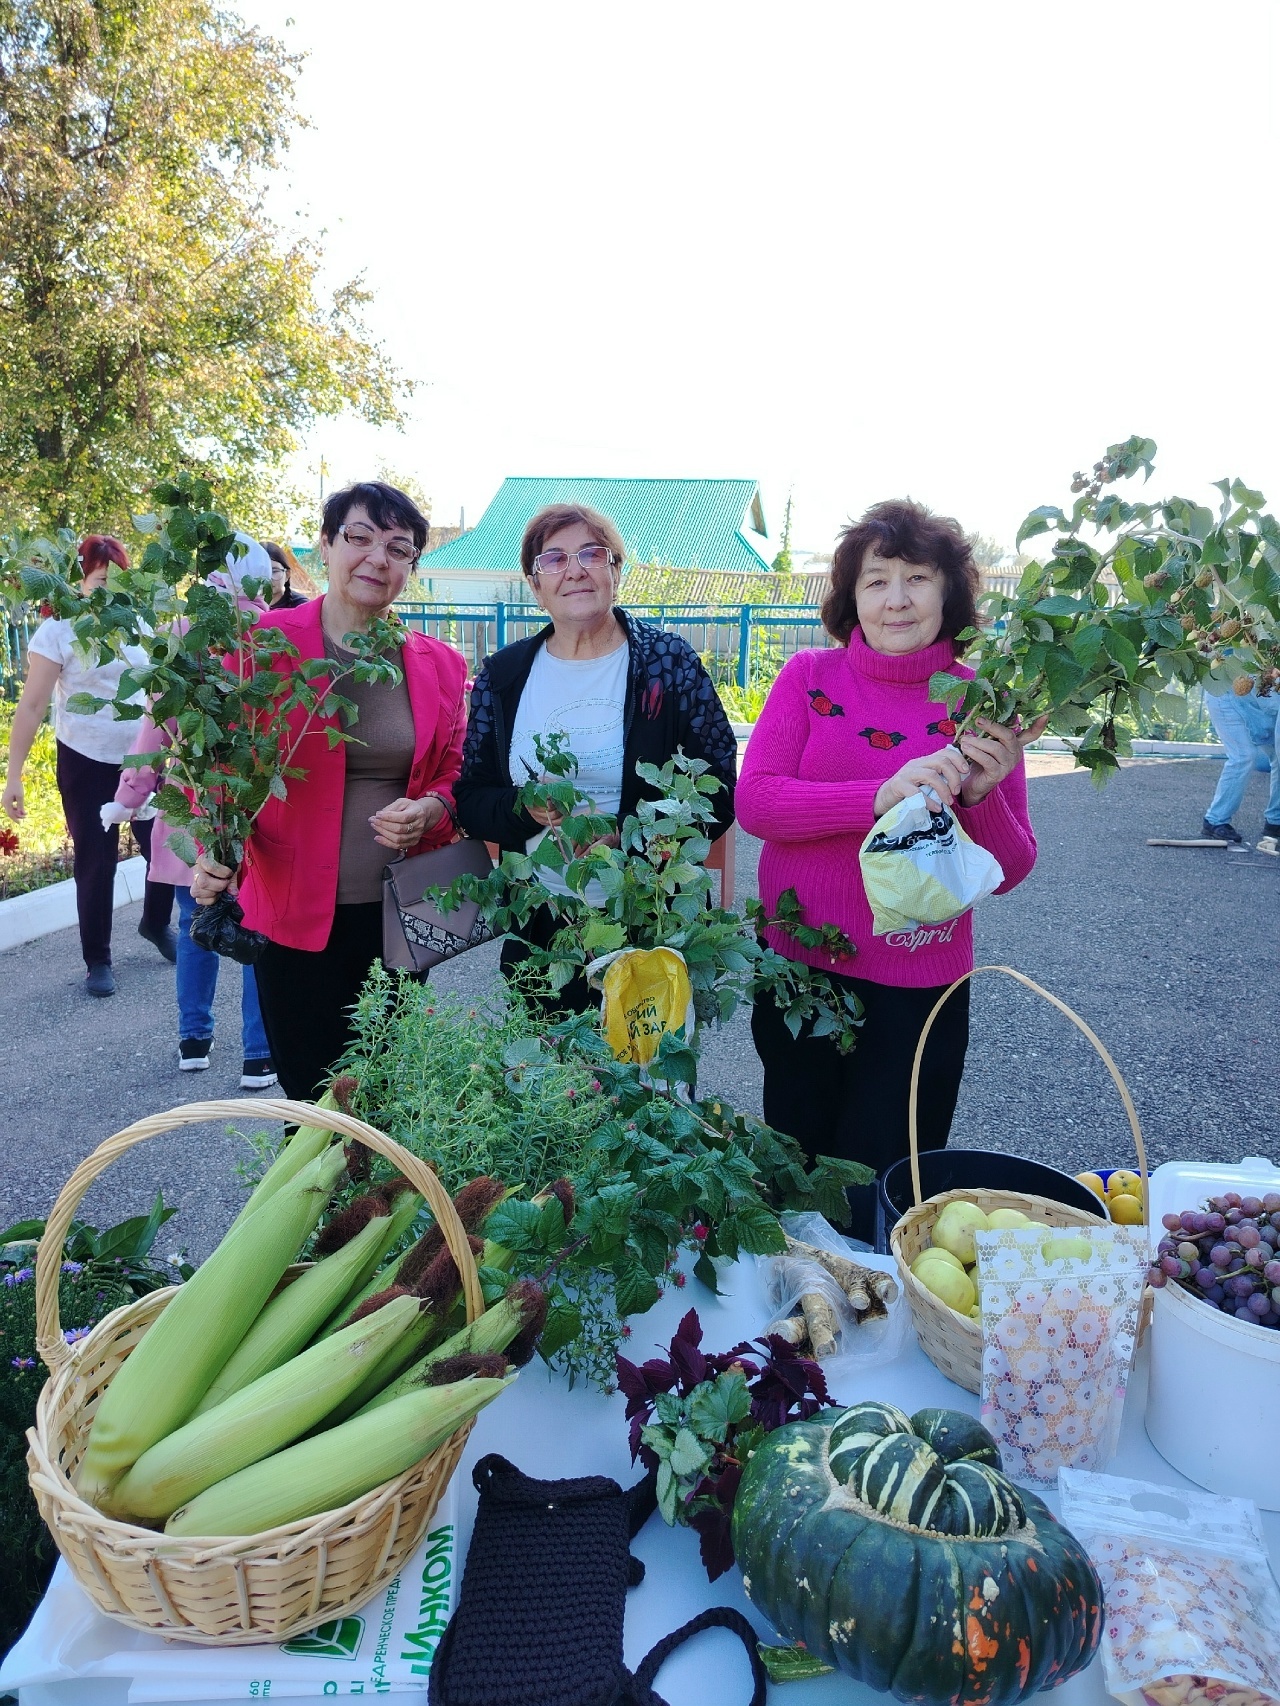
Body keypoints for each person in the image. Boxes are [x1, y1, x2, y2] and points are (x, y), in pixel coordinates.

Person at [737, 499, 1044, 1198]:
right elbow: (756, 803)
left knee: (889, 1179)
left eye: (917, 578)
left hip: (920, 987)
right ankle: (798, 1302)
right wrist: (877, 795)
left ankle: (878, 1304)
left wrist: (981, 797)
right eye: (877, 581)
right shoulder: (809, 680)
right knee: (797, 1165)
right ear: (852, 597)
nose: (896, 600)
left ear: (950, 593)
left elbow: (1013, 869)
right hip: (801, 967)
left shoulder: (980, 702)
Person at [191, 482, 468, 1101]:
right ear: (323, 547)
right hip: (293, 919)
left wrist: (433, 808)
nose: (378, 558)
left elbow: (456, 771)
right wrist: (209, 849)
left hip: (399, 917)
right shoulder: (259, 647)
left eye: (399, 548)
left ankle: (388, 1202)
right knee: (314, 1105)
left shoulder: (438, 665)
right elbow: (207, 768)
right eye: (360, 537)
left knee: (393, 1096)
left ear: (411, 569)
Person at [455, 501, 738, 1012]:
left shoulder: (667, 664)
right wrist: (525, 808)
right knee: (550, 1082)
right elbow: (471, 799)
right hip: (542, 925)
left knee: (648, 1078)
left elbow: (718, 786)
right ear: (534, 583)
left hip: (651, 919)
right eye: (554, 559)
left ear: (615, 569)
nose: (575, 569)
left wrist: (628, 836)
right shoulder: (503, 676)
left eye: (591, 552)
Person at [105, 536, 277, 1086]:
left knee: (194, 918)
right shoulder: (274, 632)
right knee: (258, 926)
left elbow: (159, 724)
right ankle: (259, 1052)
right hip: (258, 798)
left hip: (195, 800)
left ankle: (193, 1040)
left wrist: (130, 795)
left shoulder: (183, 632)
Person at [2, 536, 175, 996]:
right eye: (100, 580)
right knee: (97, 863)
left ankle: (156, 924)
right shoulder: (59, 627)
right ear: (80, 580)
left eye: (118, 581)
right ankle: (97, 959)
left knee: (163, 848)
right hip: (85, 759)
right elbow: (34, 703)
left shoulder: (137, 622)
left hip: (142, 757)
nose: (109, 591)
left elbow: (160, 685)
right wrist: (14, 774)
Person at [1200, 680, 1280, 848]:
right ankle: (1215, 820)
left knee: (1276, 758)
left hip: (1253, 705)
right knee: (1243, 756)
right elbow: (1272, 702)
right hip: (1225, 698)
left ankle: (1275, 822)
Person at [263, 541, 309, 609]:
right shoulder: (244, 606)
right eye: (262, 571)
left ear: (287, 574)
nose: (268, 578)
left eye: (274, 571)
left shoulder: (301, 606)